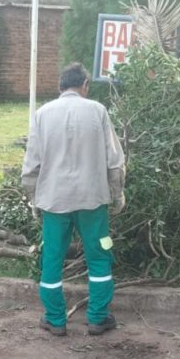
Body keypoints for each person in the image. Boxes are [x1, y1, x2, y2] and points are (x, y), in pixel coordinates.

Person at [22, 63, 126, 337]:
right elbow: (114, 161)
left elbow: (31, 163)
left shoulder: (42, 114)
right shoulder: (97, 111)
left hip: (54, 202)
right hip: (93, 200)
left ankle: (55, 320)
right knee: (100, 255)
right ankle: (97, 318)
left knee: (52, 260)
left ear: (60, 86)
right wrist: (118, 194)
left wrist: (33, 198)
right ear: (84, 86)